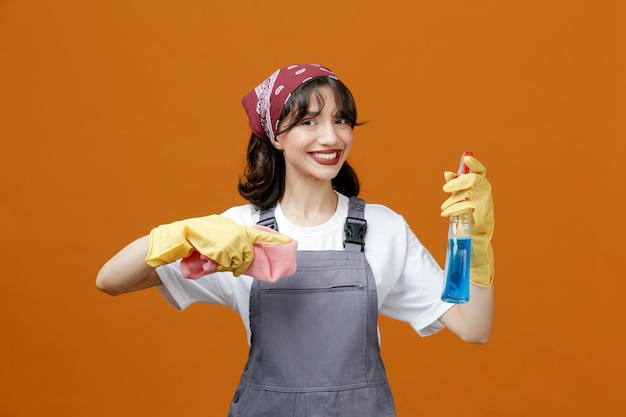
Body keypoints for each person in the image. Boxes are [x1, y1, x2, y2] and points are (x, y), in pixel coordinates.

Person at [96, 63, 495, 417]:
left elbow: (472, 328)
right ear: (276, 136)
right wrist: (180, 235)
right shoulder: (237, 235)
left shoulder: (383, 229)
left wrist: (476, 243)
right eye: (309, 122)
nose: (331, 137)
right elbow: (110, 280)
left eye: (341, 120)